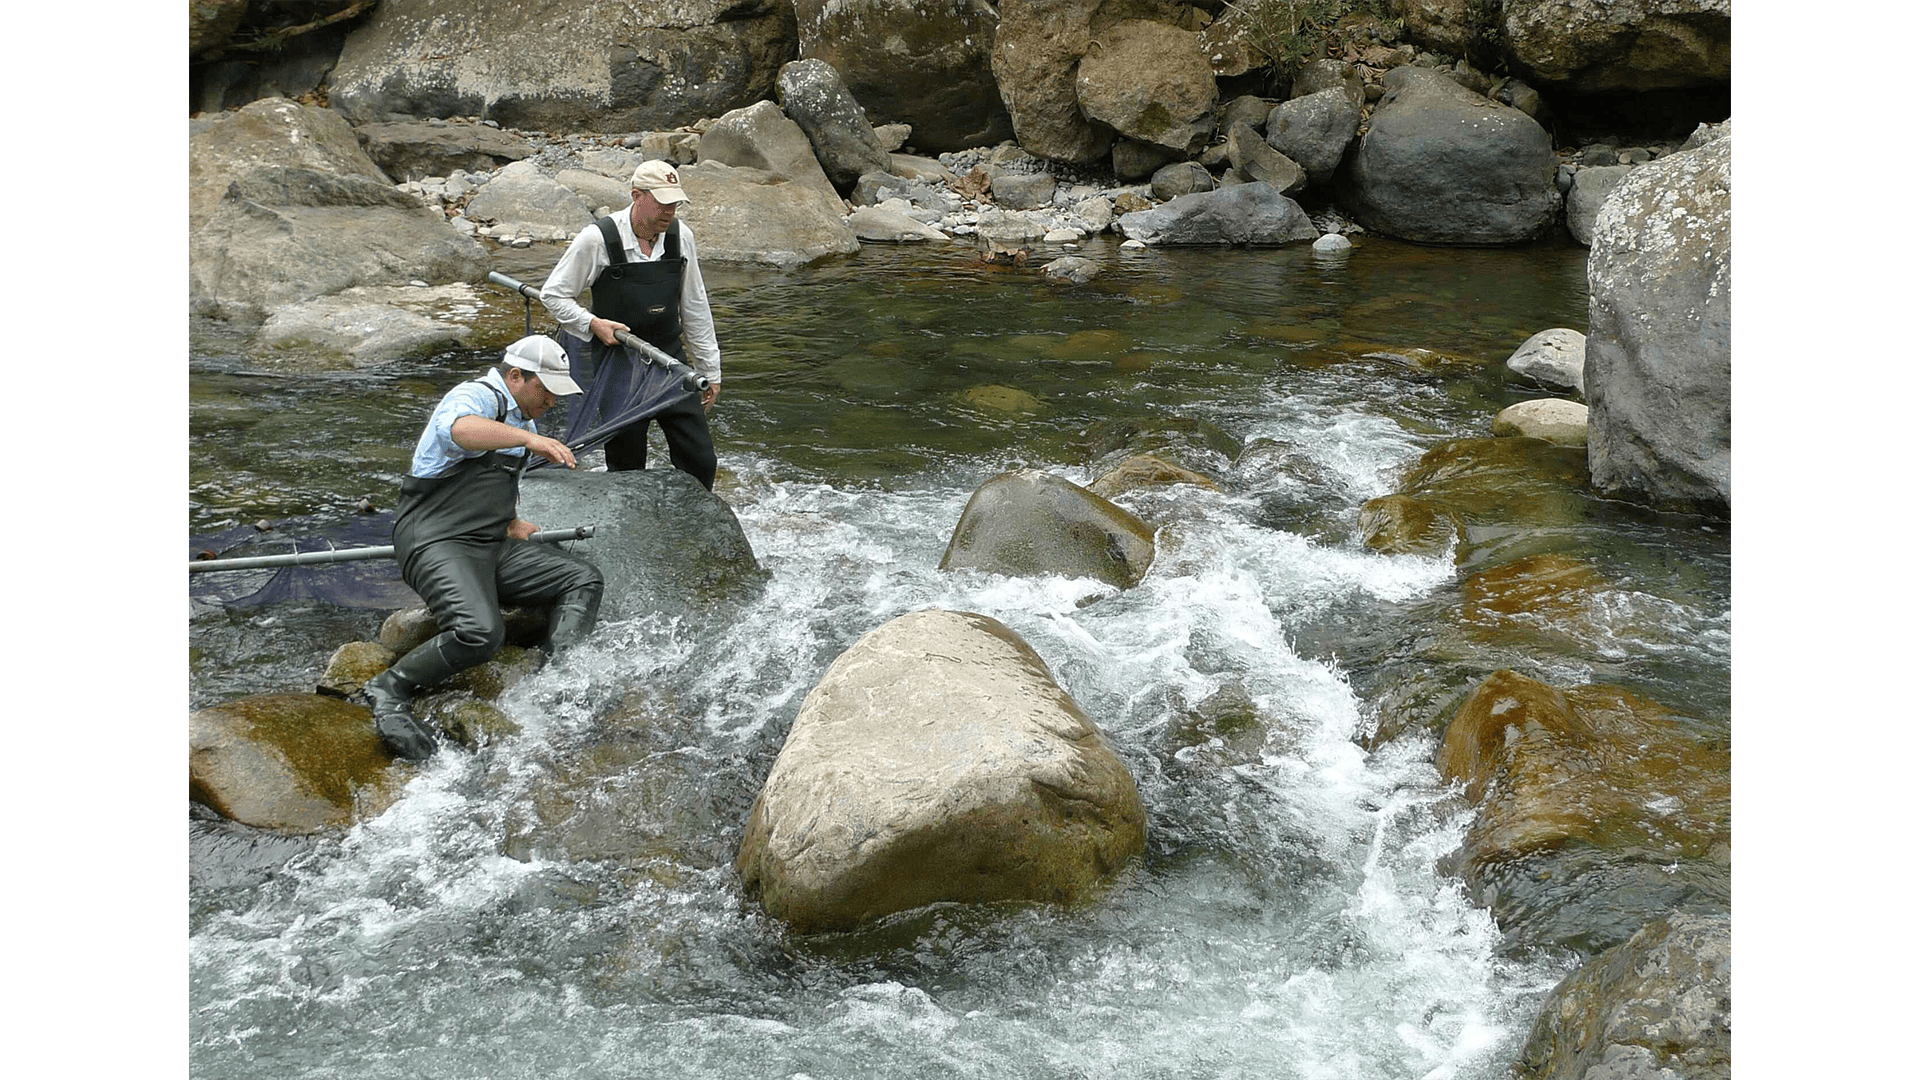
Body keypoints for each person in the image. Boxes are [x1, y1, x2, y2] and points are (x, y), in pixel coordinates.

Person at [360, 335, 605, 761]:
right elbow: (457, 431)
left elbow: (490, 482)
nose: (551, 402)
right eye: (545, 390)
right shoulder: (476, 396)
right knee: (479, 634)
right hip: (434, 539)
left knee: (582, 577)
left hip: (490, 542)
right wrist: (530, 441)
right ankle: (390, 687)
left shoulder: (522, 422)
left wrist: (509, 521)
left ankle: (558, 679)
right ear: (516, 376)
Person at [539, 159, 724, 489]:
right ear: (637, 195)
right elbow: (553, 295)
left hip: (670, 363)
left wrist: (711, 372)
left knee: (701, 459)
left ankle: (695, 527)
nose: (670, 210)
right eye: (663, 202)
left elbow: (695, 306)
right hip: (617, 366)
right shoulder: (596, 239)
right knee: (626, 466)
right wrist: (592, 322)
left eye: (675, 202)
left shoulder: (682, 238)